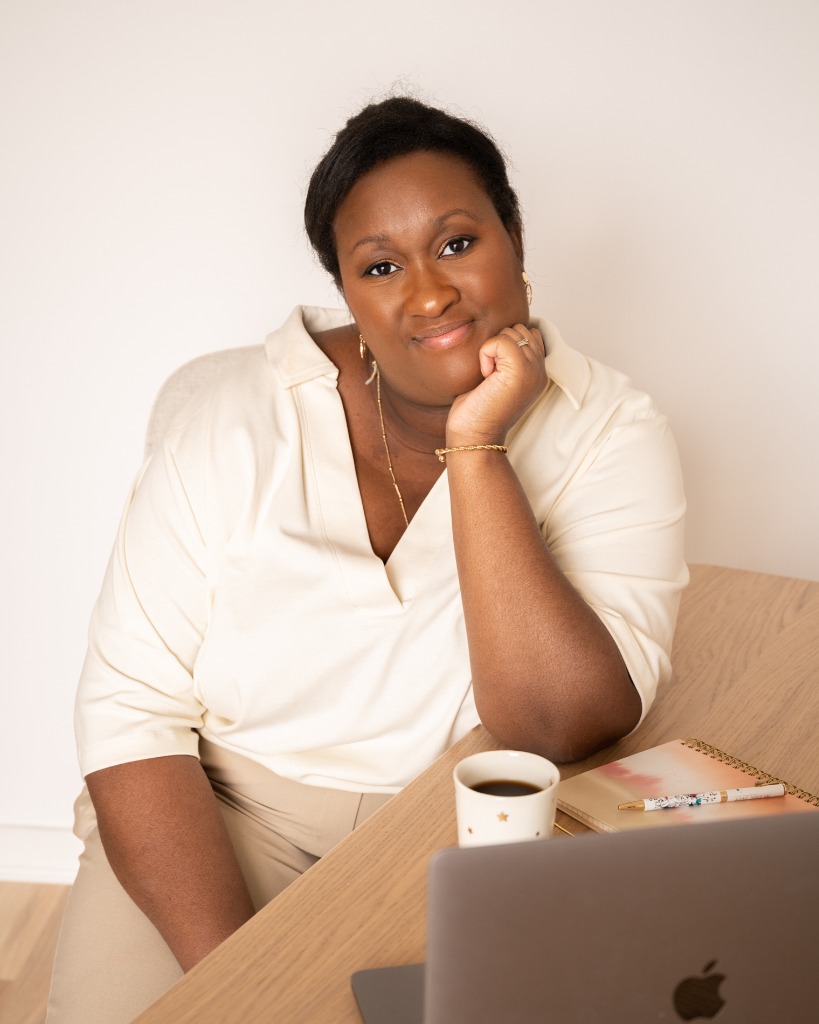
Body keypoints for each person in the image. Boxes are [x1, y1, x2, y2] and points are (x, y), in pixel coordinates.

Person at [46, 96, 686, 1023]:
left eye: (458, 243)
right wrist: (249, 984)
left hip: (451, 823)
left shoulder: (613, 430)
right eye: (380, 267)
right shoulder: (231, 413)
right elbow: (128, 715)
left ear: (516, 240)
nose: (427, 294)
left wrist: (477, 449)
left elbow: (558, 722)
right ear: (348, 293)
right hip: (216, 810)